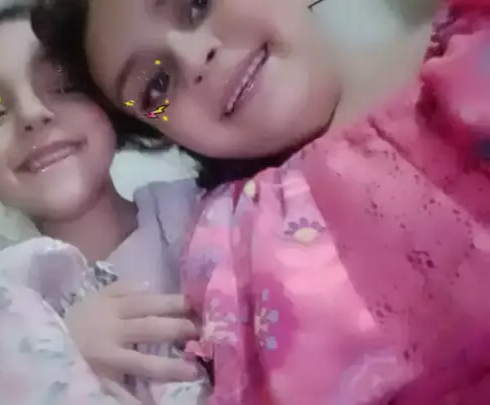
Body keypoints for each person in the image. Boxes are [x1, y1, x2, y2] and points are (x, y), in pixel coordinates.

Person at [32, 0, 490, 403]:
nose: (193, 58)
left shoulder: (473, 35)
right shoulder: (228, 253)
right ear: (163, 134)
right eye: (156, 87)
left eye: (198, 3)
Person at [0, 5, 210, 405]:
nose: (32, 114)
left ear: (110, 110)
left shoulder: (207, 209)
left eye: (65, 86)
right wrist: (58, 355)